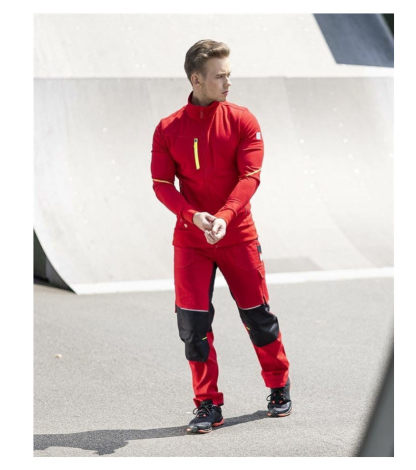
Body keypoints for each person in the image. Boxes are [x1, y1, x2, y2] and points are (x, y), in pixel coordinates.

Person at [151, 39, 291, 434]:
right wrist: (193, 216)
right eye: (220, 76)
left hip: (237, 234)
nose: (229, 82)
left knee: (258, 316)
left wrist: (225, 217)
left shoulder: (243, 120)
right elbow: (162, 184)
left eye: (229, 75)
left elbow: (250, 177)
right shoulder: (168, 128)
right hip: (191, 240)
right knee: (193, 326)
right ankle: (207, 404)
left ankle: (278, 385)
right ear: (196, 79)